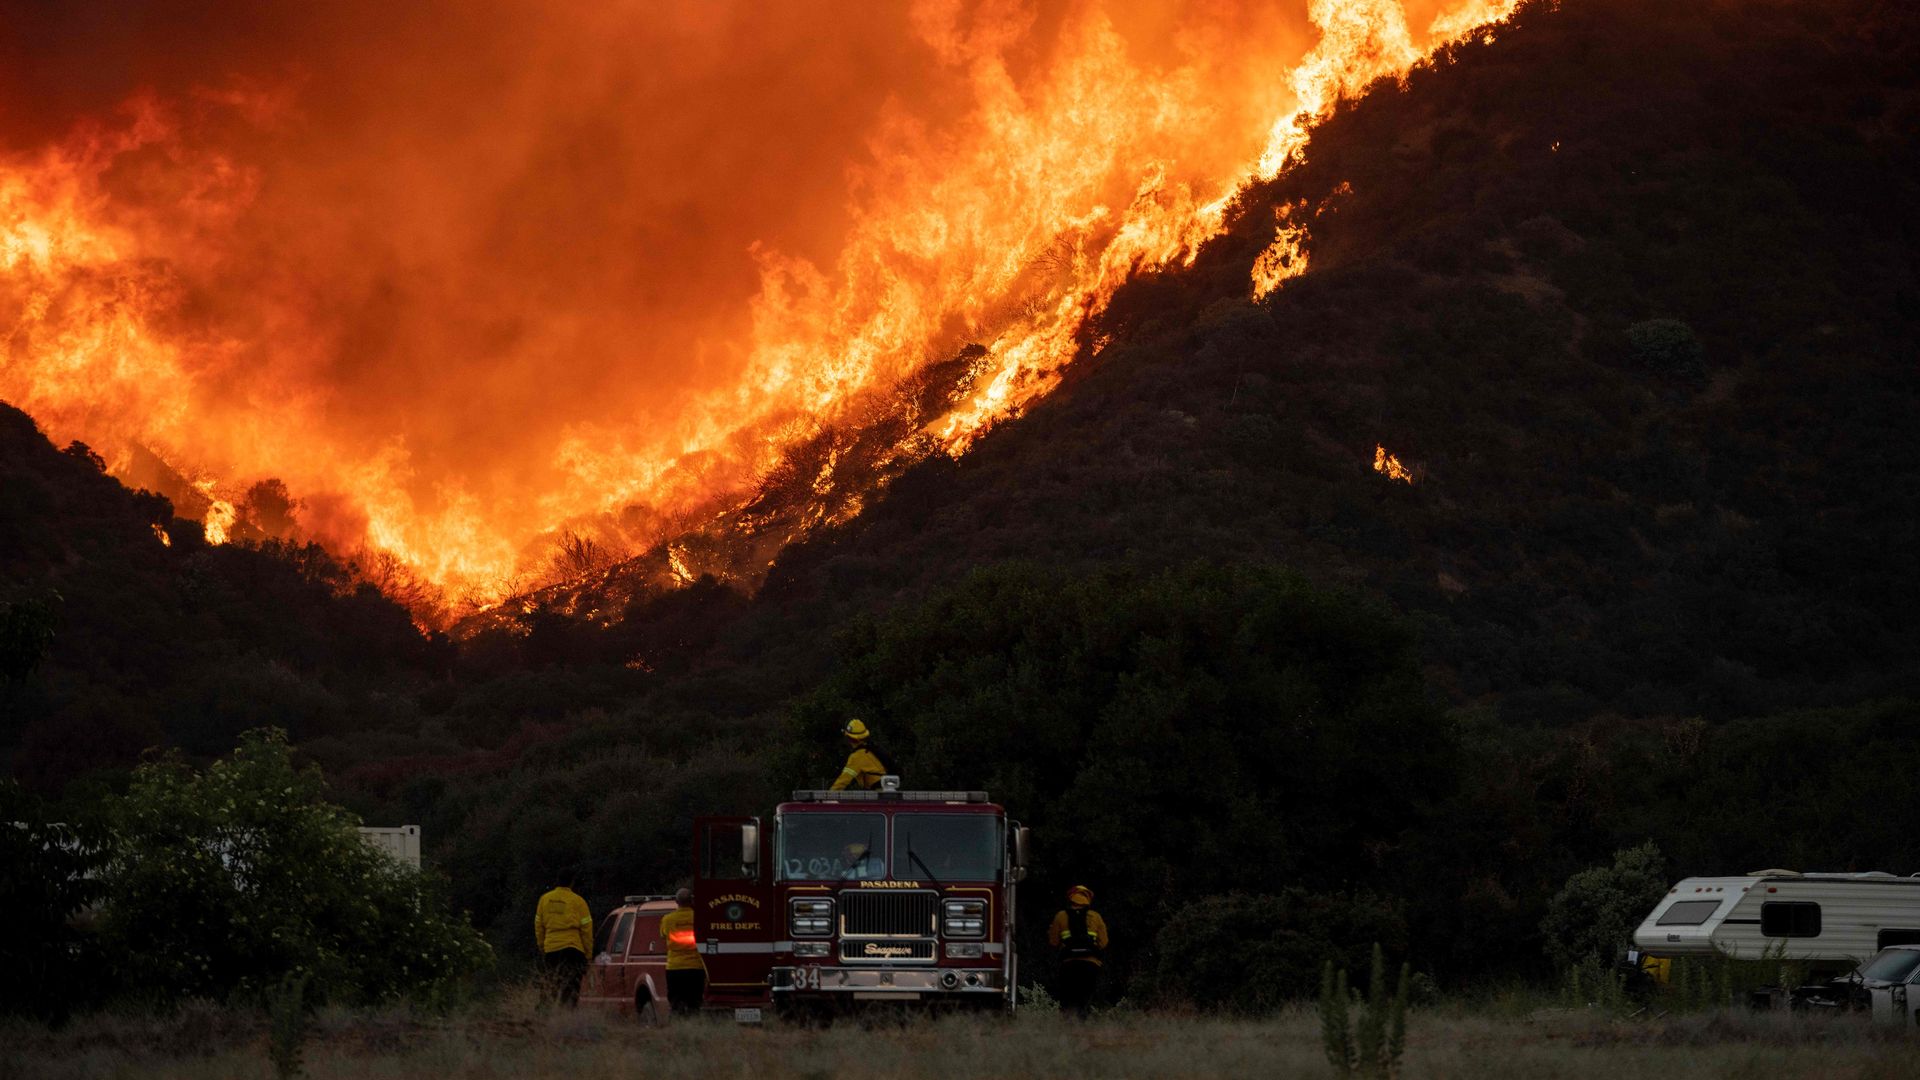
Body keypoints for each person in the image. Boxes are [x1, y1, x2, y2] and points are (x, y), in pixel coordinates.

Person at [1048, 885, 1108, 1018]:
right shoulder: (1096, 917)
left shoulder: (1061, 916)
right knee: (1084, 1001)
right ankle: (1082, 1028)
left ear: (1071, 898)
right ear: (1087, 898)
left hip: (1068, 965)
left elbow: (1053, 942)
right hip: (1090, 966)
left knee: (1068, 1002)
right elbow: (1104, 943)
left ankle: (1068, 1030)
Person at [534, 874, 593, 1007]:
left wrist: (541, 945)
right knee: (572, 985)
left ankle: (546, 1013)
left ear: (557, 881)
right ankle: (569, 1013)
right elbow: (587, 930)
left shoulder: (545, 899)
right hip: (573, 949)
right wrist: (588, 954)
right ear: (572, 883)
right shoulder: (578, 901)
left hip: (551, 949)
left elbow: (538, 925)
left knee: (550, 982)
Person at [661, 887, 706, 1017]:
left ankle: (677, 1026)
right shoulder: (700, 918)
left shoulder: (667, 919)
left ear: (676, 901)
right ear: (692, 901)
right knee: (695, 1002)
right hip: (695, 967)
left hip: (675, 967)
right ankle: (693, 1026)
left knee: (675, 1002)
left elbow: (663, 935)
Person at [828, 718, 894, 792]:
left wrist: (828, 795)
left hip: (878, 793)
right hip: (887, 790)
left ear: (851, 739)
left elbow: (844, 779)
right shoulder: (869, 749)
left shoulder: (857, 756)